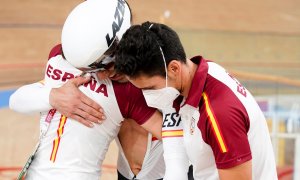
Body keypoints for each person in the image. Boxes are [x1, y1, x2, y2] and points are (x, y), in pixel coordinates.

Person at [9, 1, 166, 179]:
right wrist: (53, 96)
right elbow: (172, 135)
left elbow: (17, 100)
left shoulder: (57, 57)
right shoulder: (128, 89)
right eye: (99, 67)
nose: (105, 73)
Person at [114, 21, 278, 179]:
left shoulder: (219, 114)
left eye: (149, 88)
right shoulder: (183, 85)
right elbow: (176, 158)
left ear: (174, 68)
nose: (147, 97)